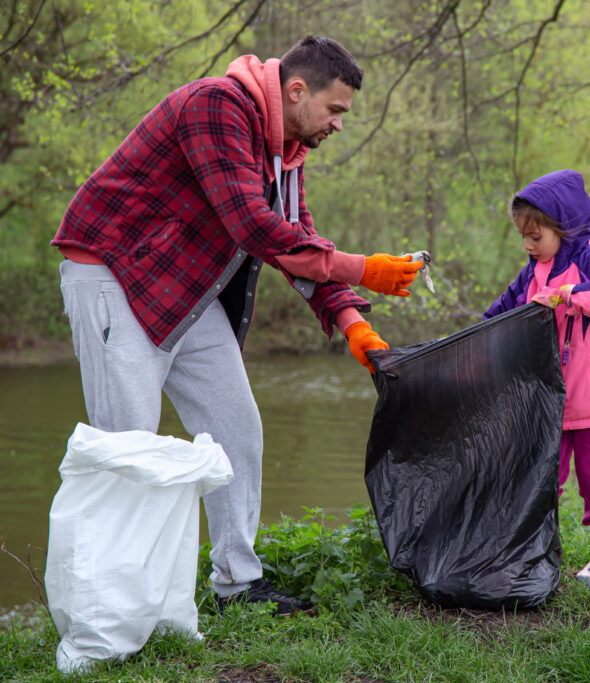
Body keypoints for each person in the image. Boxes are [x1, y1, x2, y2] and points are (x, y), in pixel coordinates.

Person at [51, 35, 422, 614]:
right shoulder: (216, 106)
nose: (339, 125)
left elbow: (299, 237)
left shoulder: (286, 153)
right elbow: (253, 226)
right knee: (130, 449)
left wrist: (353, 324)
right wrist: (364, 267)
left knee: (237, 432)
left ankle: (237, 586)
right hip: (113, 278)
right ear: (296, 90)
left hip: (184, 290)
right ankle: (113, 607)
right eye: (335, 110)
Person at [483, 169, 590, 584]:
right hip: (551, 400)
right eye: (524, 236)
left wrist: (570, 295)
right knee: (543, 479)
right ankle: (540, 551)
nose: (528, 245)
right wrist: (475, 340)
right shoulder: (533, 270)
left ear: (563, 227)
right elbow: (501, 313)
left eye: (535, 237)